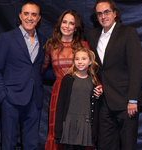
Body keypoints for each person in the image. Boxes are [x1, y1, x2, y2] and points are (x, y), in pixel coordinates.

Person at [86, 0, 142, 150]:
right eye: (99, 13)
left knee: (127, 145)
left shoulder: (128, 32)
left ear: (115, 13)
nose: (103, 16)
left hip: (126, 101)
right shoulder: (92, 35)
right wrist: (96, 85)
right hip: (104, 102)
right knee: (105, 145)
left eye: (106, 12)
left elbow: (136, 67)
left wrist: (133, 99)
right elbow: (93, 67)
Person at [42, 9, 103, 150]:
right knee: (58, 131)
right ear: (59, 24)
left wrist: (98, 86)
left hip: (80, 92)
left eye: (71, 23)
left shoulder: (83, 45)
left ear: (76, 27)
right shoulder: (51, 45)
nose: (67, 26)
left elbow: (91, 70)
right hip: (58, 93)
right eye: (64, 22)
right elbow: (41, 70)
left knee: (81, 130)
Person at [0, 2, 47, 150]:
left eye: (34, 14)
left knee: (31, 145)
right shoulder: (7, 38)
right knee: (9, 145)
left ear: (39, 18)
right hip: (11, 100)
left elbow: (41, 69)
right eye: (26, 13)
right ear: (20, 16)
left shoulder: (44, 41)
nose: (30, 17)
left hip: (34, 100)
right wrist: (2, 97)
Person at [54, 47, 100, 150]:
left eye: (84, 59)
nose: (80, 62)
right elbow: (60, 105)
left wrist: (94, 129)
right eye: (77, 59)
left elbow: (96, 107)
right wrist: (58, 130)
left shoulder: (93, 81)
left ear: (90, 62)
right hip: (69, 123)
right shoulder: (68, 79)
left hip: (85, 123)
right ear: (74, 61)